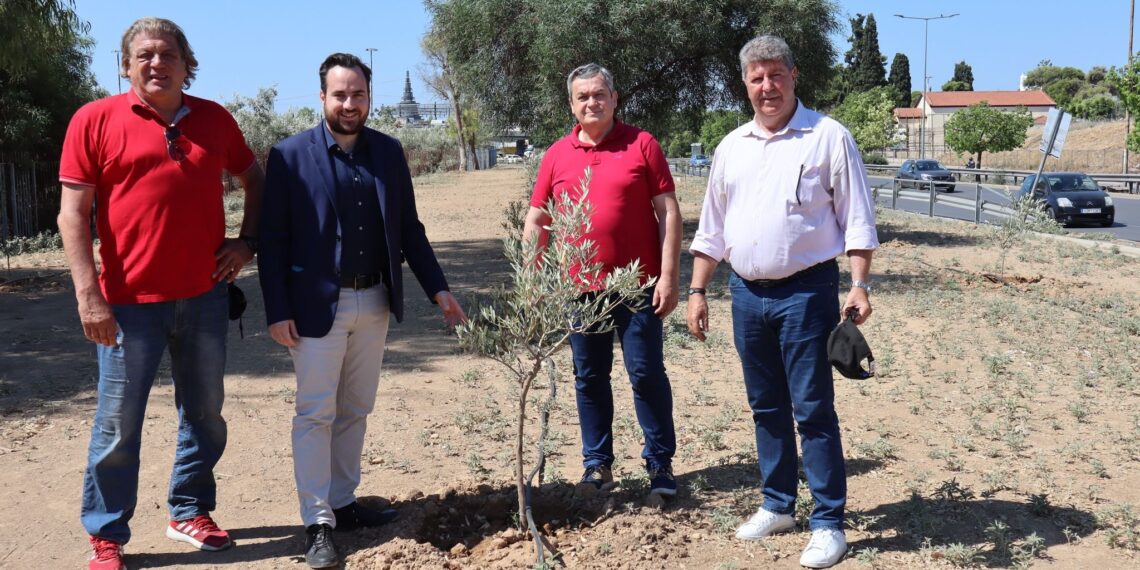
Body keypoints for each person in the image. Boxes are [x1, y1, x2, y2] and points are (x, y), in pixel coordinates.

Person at [57, 17, 263, 570]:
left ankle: (189, 511)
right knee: (117, 422)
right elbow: (72, 213)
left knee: (205, 413)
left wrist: (246, 244)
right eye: (144, 54)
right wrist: (87, 293)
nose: (156, 63)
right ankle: (107, 534)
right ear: (126, 64)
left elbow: (255, 178)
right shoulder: (93, 120)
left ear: (184, 62)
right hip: (125, 304)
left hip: (204, 297)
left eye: (167, 53)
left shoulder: (215, 120)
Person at [258, 52, 466, 569]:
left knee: (356, 407)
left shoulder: (390, 153)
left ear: (369, 98)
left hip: (374, 299)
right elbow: (274, 241)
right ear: (322, 97)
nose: (349, 104)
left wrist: (438, 289)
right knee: (315, 413)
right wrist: (277, 309)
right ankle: (317, 521)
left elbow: (409, 230)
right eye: (340, 94)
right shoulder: (288, 156)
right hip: (312, 309)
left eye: (358, 94)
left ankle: (345, 503)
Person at [686, 36, 879, 569]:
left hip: (807, 293)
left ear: (794, 75)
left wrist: (858, 284)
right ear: (745, 85)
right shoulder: (731, 147)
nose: (766, 87)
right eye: (756, 78)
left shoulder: (828, 138)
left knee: (813, 408)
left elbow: (858, 220)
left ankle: (829, 522)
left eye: (775, 75)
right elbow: (712, 230)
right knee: (765, 406)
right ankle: (778, 504)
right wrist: (698, 290)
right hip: (745, 294)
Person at [524, 63, 682, 498]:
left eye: (599, 94)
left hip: (639, 286)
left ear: (614, 98)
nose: (591, 102)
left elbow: (668, 211)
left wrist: (669, 276)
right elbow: (538, 217)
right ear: (571, 105)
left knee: (646, 372)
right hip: (581, 290)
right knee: (589, 376)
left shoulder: (642, 143)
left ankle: (660, 465)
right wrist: (531, 281)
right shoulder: (556, 154)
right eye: (582, 97)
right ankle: (597, 465)